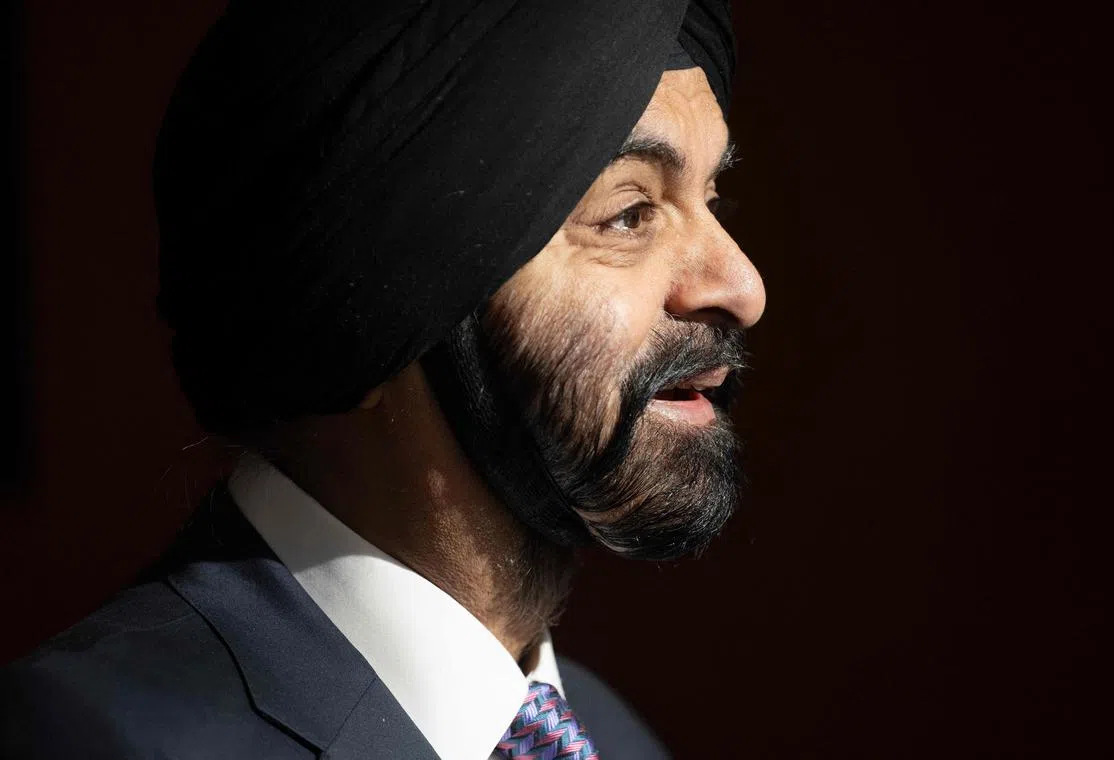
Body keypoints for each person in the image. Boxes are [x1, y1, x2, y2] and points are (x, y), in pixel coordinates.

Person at [2, 1, 764, 758]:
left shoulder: (616, 739)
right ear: (370, 310)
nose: (742, 285)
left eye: (713, 201)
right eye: (629, 215)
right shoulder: (91, 738)